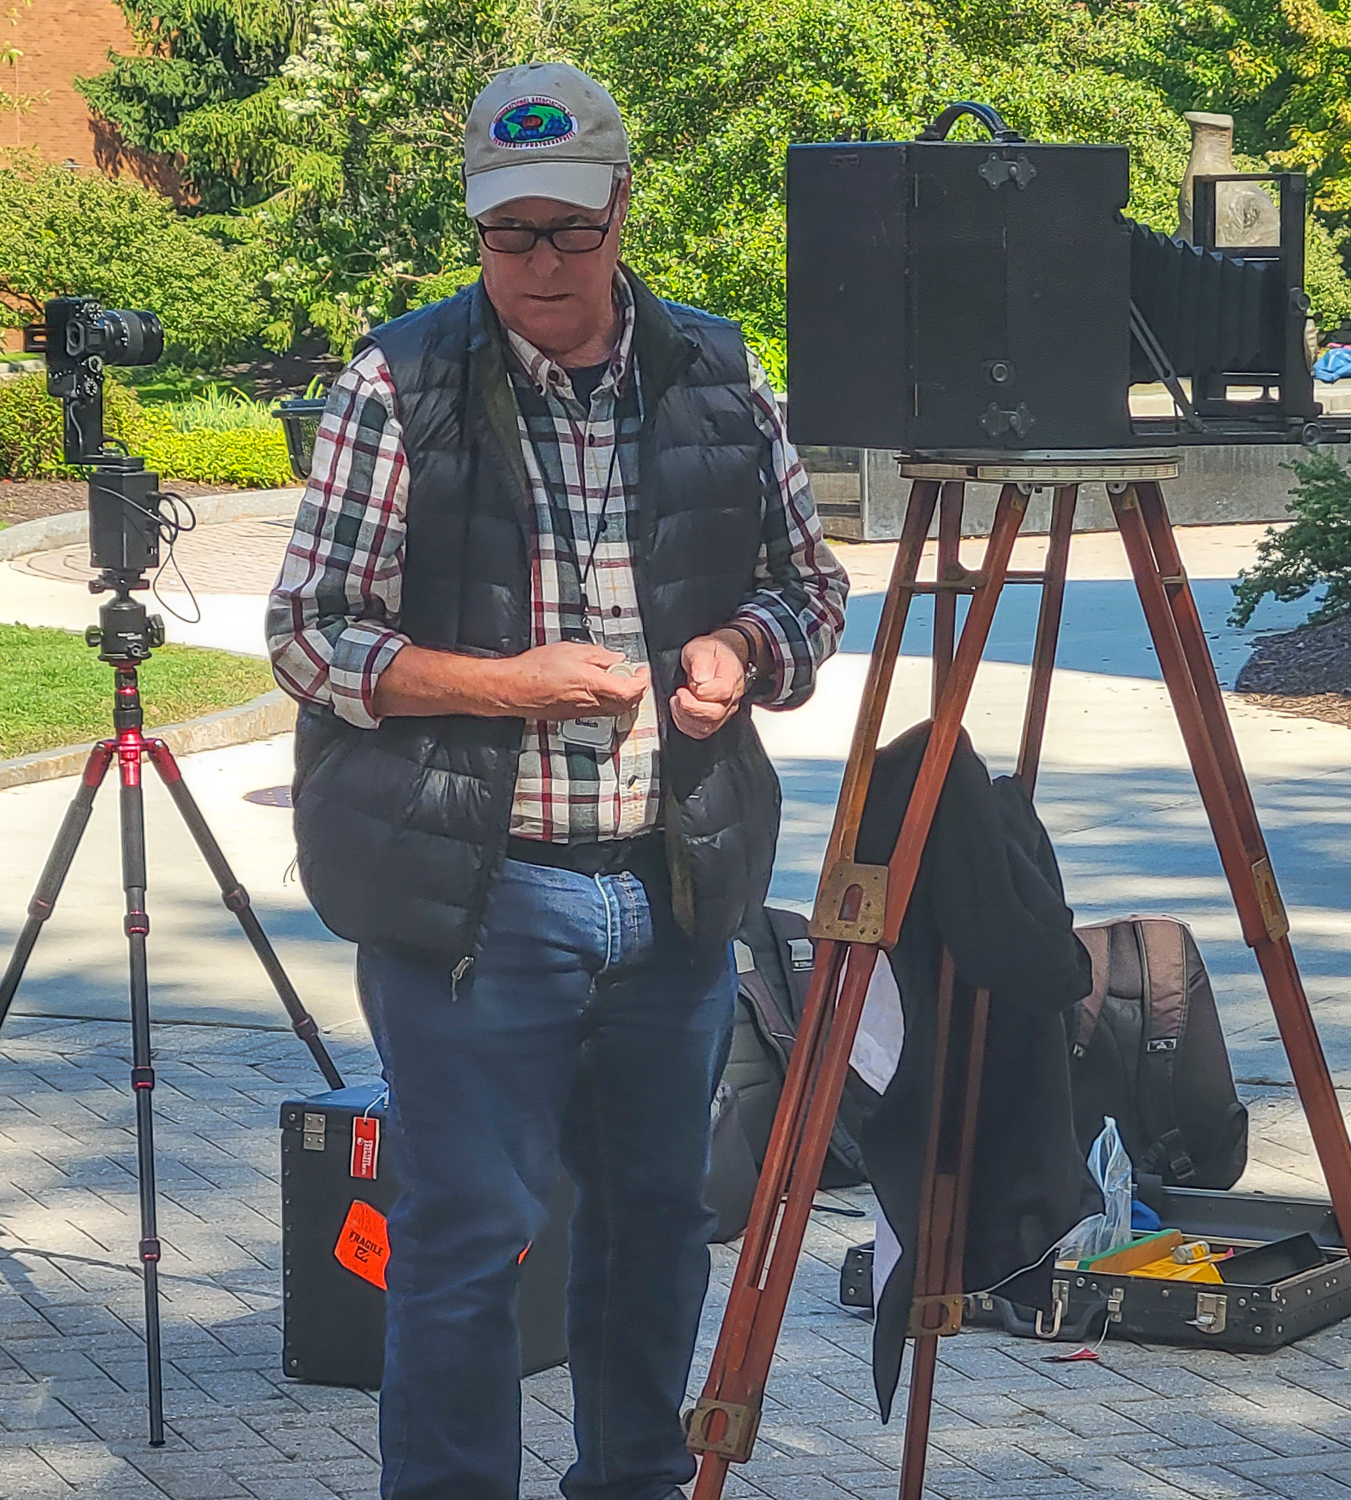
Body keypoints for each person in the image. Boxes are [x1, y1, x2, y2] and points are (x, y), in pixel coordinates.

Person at [266, 62, 849, 1500]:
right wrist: (502, 684)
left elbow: (812, 589)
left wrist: (740, 649)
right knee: (469, 1239)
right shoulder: (398, 380)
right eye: (505, 233)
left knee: (656, 1233)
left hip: (672, 885)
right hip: (476, 898)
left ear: (621, 214)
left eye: (568, 233)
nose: (537, 263)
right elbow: (305, 635)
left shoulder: (717, 371)